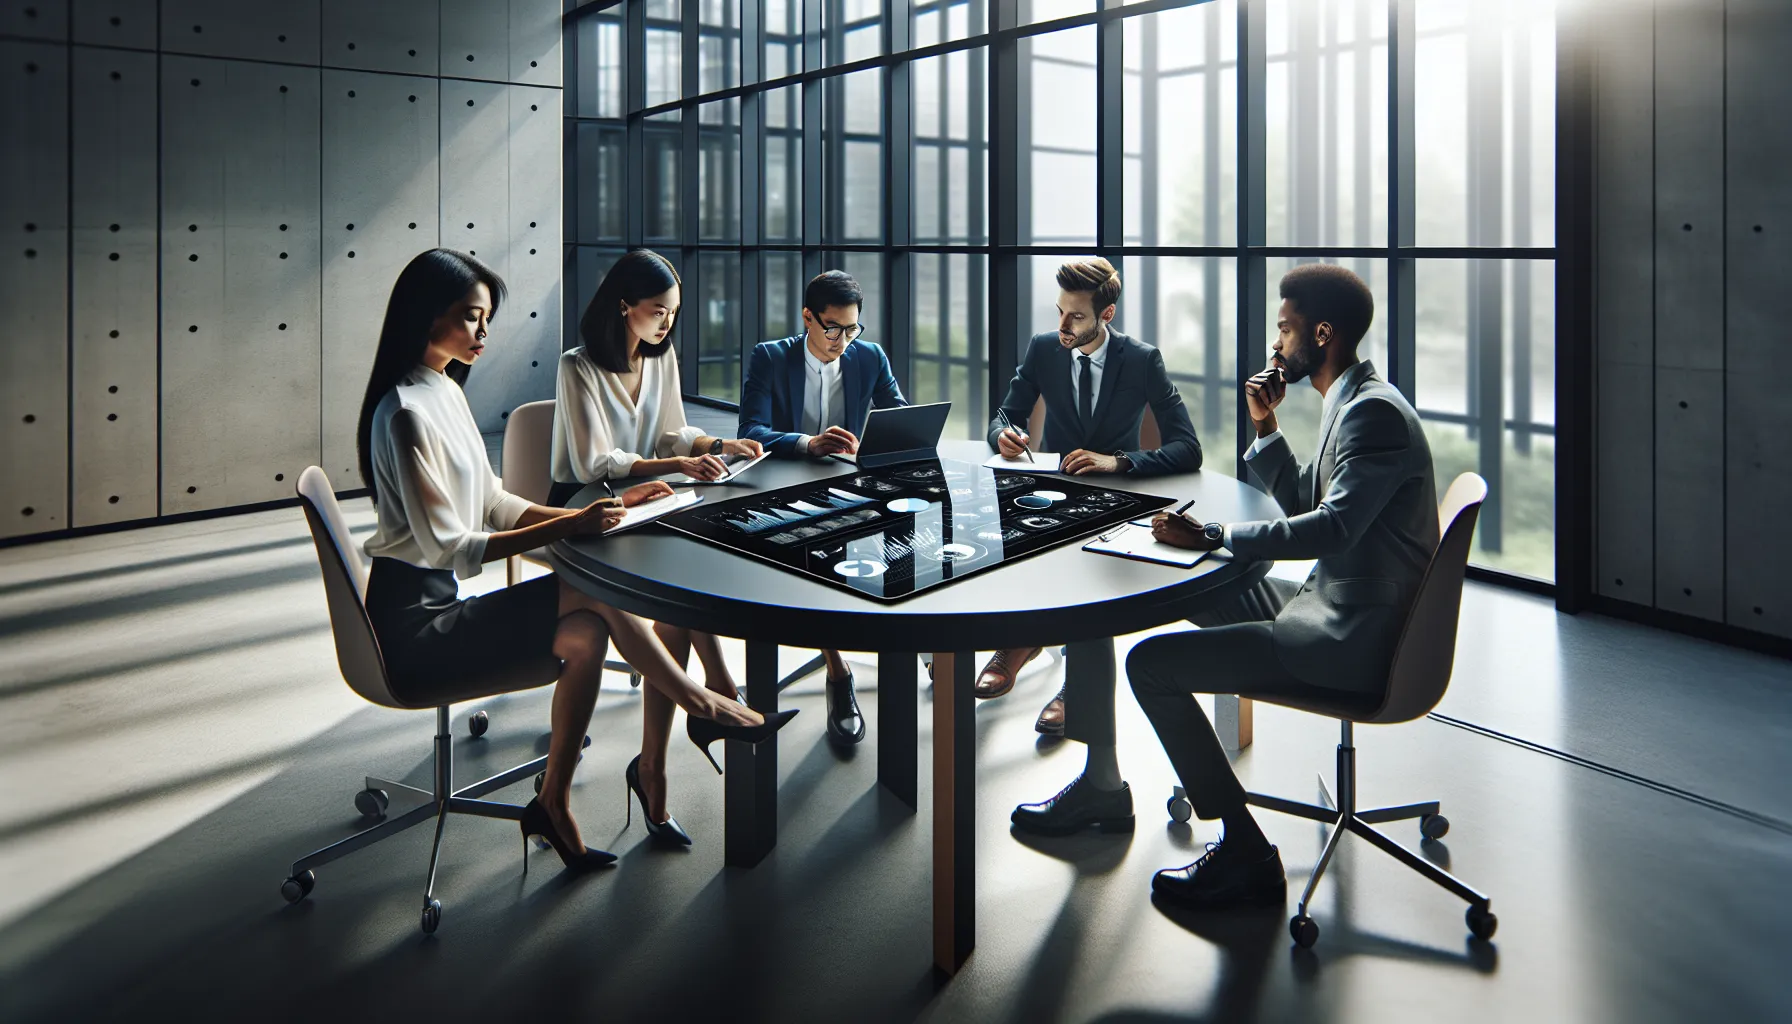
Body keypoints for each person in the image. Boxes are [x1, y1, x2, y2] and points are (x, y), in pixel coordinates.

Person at [356, 248, 791, 873]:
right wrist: (579, 518)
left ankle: (553, 800)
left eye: (487, 318)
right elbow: (450, 546)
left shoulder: (444, 392)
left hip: (440, 602)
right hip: (412, 631)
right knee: (598, 596)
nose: (484, 333)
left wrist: (587, 518)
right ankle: (708, 704)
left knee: (587, 634)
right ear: (427, 317)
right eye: (472, 318)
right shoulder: (404, 414)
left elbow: (498, 503)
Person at [1127, 263, 1438, 910]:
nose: (1275, 345)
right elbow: (1308, 502)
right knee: (1206, 586)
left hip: (1353, 639)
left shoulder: (1371, 414)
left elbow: (1332, 530)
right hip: (1338, 604)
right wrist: (1266, 427)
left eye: (1284, 329)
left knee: (1150, 664)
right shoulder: (1353, 398)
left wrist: (1214, 534)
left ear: (1322, 333)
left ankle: (1244, 851)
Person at [550, 248, 768, 848]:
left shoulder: (660, 355)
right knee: (680, 593)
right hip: (585, 506)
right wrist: (677, 462)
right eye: (657, 312)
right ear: (624, 305)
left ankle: (657, 764)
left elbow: (673, 428)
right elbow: (595, 462)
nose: (668, 324)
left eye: (674, 313)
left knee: (684, 587)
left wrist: (722, 441)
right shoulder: (578, 367)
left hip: (650, 497)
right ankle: (714, 698)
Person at [981, 259, 1203, 838]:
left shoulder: (1142, 360)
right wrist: (1003, 433)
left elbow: (1188, 448)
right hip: (1046, 496)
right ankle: (1023, 644)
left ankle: (1033, 656)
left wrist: (1120, 462)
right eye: (1058, 311)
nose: (1062, 324)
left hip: (1113, 503)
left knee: (1084, 588)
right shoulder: (1044, 349)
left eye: (1075, 315)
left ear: (1105, 314)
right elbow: (1004, 412)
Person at [737, 270, 906, 746]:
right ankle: (839, 670)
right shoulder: (770, 358)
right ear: (807, 317)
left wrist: (888, 438)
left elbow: (897, 414)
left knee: (915, 525)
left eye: (853, 328)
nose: (843, 340)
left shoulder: (868, 356)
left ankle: (918, 644)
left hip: (851, 481)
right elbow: (751, 430)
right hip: (784, 485)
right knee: (819, 550)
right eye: (834, 328)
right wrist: (808, 443)